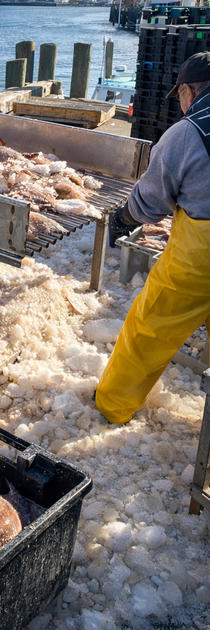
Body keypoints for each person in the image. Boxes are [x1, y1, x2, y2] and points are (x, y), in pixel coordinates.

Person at [96, 51, 210, 425]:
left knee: (149, 329)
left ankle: (112, 408)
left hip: (201, 258)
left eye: (179, 95)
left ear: (190, 91)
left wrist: (123, 218)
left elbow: (152, 200)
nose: (180, 104)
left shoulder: (188, 133)